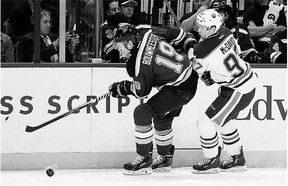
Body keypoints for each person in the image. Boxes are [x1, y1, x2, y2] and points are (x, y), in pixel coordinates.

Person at [108, 24, 199, 175]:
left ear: (130, 43)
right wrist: (189, 45)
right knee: (162, 116)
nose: (119, 52)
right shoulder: (151, 32)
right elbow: (181, 34)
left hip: (179, 88)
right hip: (189, 76)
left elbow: (141, 92)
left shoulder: (136, 64)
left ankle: (144, 158)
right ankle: (165, 157)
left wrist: (122, 88)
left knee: (142, 113)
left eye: (120, 47)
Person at [189, 9, 257, 173]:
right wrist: (212, 75)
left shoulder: (201, 50)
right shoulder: (226, 32)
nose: (198, 29)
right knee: (225, 121)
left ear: (212, 29)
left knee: (204, 123)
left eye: (202, 27)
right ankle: (237, 159)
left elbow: (198, 70)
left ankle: (211, 159)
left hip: (237, 89)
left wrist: (191, 48)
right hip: (244, 82)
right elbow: (232, 54)